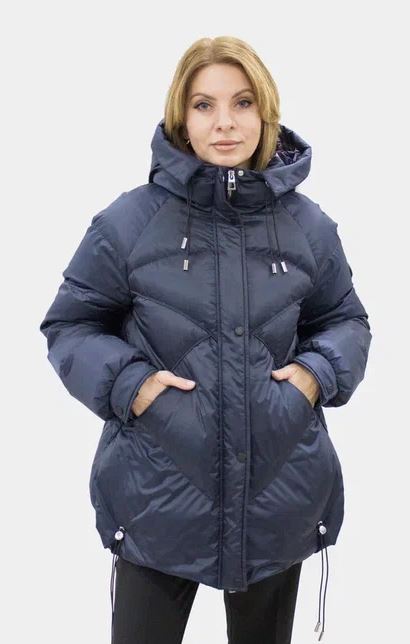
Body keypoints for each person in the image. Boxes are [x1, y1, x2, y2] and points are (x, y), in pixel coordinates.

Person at [39, 35, 372, 644]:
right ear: (181, 116)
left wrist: (314, 375)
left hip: (280, 494)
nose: (224, 123)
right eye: (204, 105)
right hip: (156, 497)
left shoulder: (308, 226)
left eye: (242, 103)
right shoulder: (129, 222)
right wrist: (134, 385)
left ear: (265, 112)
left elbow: (345, 321)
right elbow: (71, 324)